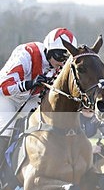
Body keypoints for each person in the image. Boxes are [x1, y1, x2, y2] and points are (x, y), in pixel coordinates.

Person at [0, 28, 77, 181]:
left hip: (30, 97)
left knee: (42, 125)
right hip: (6, 96)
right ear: (48, 50)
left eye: (66, 57)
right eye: (59, 55)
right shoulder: (27, 54)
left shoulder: (59, 66)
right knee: (7, 130)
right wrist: (30, 83)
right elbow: (4, 87)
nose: (62, 62)